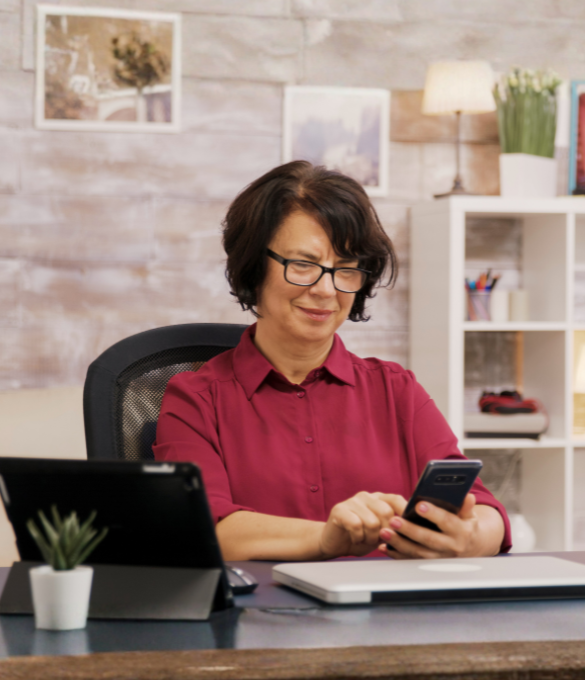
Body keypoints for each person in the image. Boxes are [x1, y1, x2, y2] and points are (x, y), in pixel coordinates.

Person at [153, 161, 511, 561]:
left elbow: (486, 512)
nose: (326, 290)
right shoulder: (194, 400)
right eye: (303, 265)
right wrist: (327, 538)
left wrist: (469, 536)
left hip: (390, 619)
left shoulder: (396, 390)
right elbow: (205, 529)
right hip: (261, 619)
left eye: (346, 269)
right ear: (254, 267)